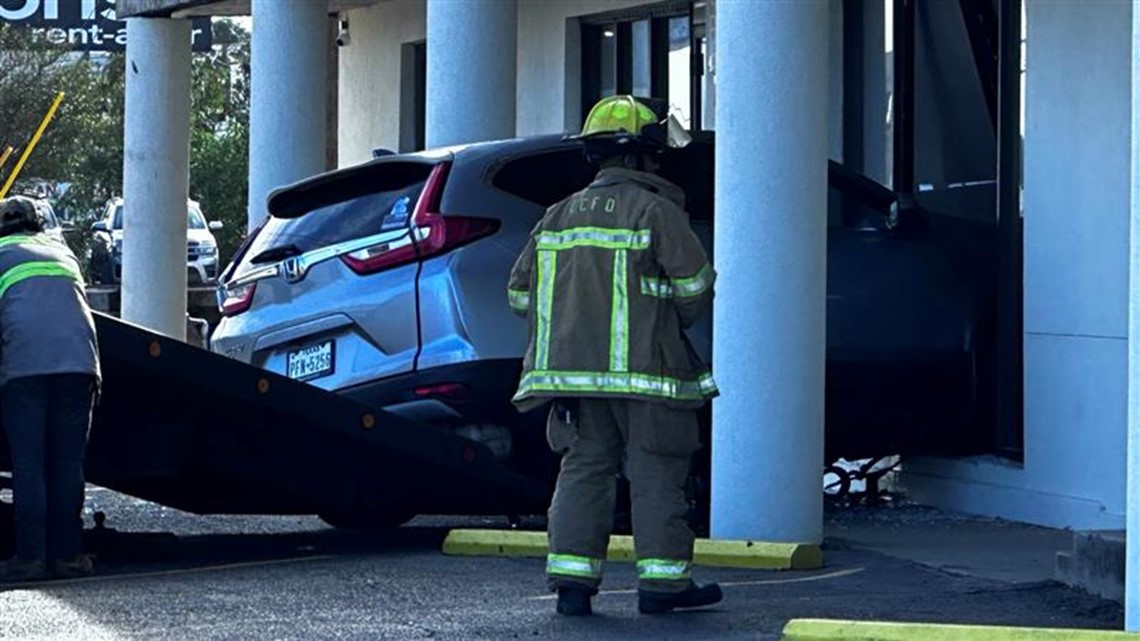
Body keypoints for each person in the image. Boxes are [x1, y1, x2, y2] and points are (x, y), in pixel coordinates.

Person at [508, 95, 721, 616]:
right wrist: (661, 319)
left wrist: (574, 328)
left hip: (572, 382)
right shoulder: (656, 210)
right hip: (648, 375)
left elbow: (519, 294)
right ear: (644, 156)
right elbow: (695, 287)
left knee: (583, 471)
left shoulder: (556, 216)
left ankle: (573, 587)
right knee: (656, 471)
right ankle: (663, 586)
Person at [0, 195, 100, 581]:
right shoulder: (63, 252)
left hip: (26, 366)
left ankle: (30, 558)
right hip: (80, 364)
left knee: (30, 465)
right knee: (67, 464)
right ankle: (67, 556)